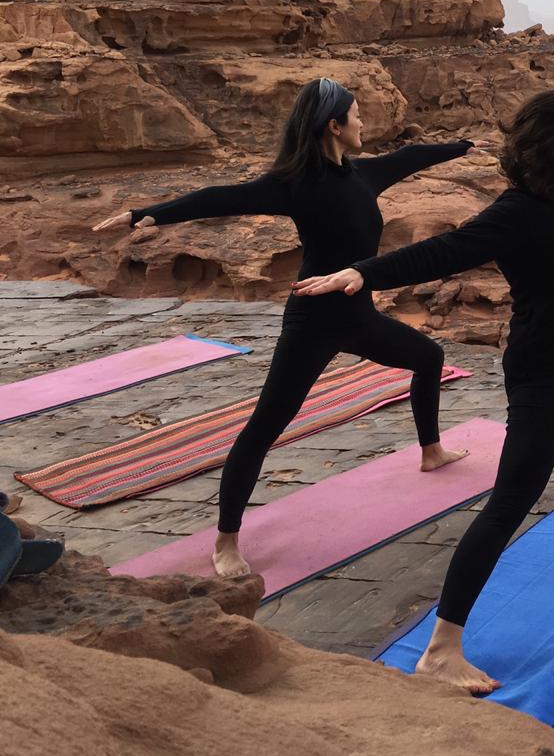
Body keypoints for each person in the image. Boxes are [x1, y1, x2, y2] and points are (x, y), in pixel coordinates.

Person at [294, 90, 554, 693]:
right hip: (546, 380)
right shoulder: (518, 214)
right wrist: (365, 272)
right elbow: (444, 251)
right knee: (509, 504)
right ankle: (441, 649)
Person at [94, 78, 478, 577]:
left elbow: (416, 155)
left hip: (358, 316)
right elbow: (217, 197)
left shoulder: (365, 175)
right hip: (313, 322)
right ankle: (226, 541)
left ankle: (431, 452)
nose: (364, 124)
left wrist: (466, 145)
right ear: (334, 126)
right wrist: (147, 214)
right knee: (265, 428)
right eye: (356, 116)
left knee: (428, 358)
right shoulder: (294, 184)